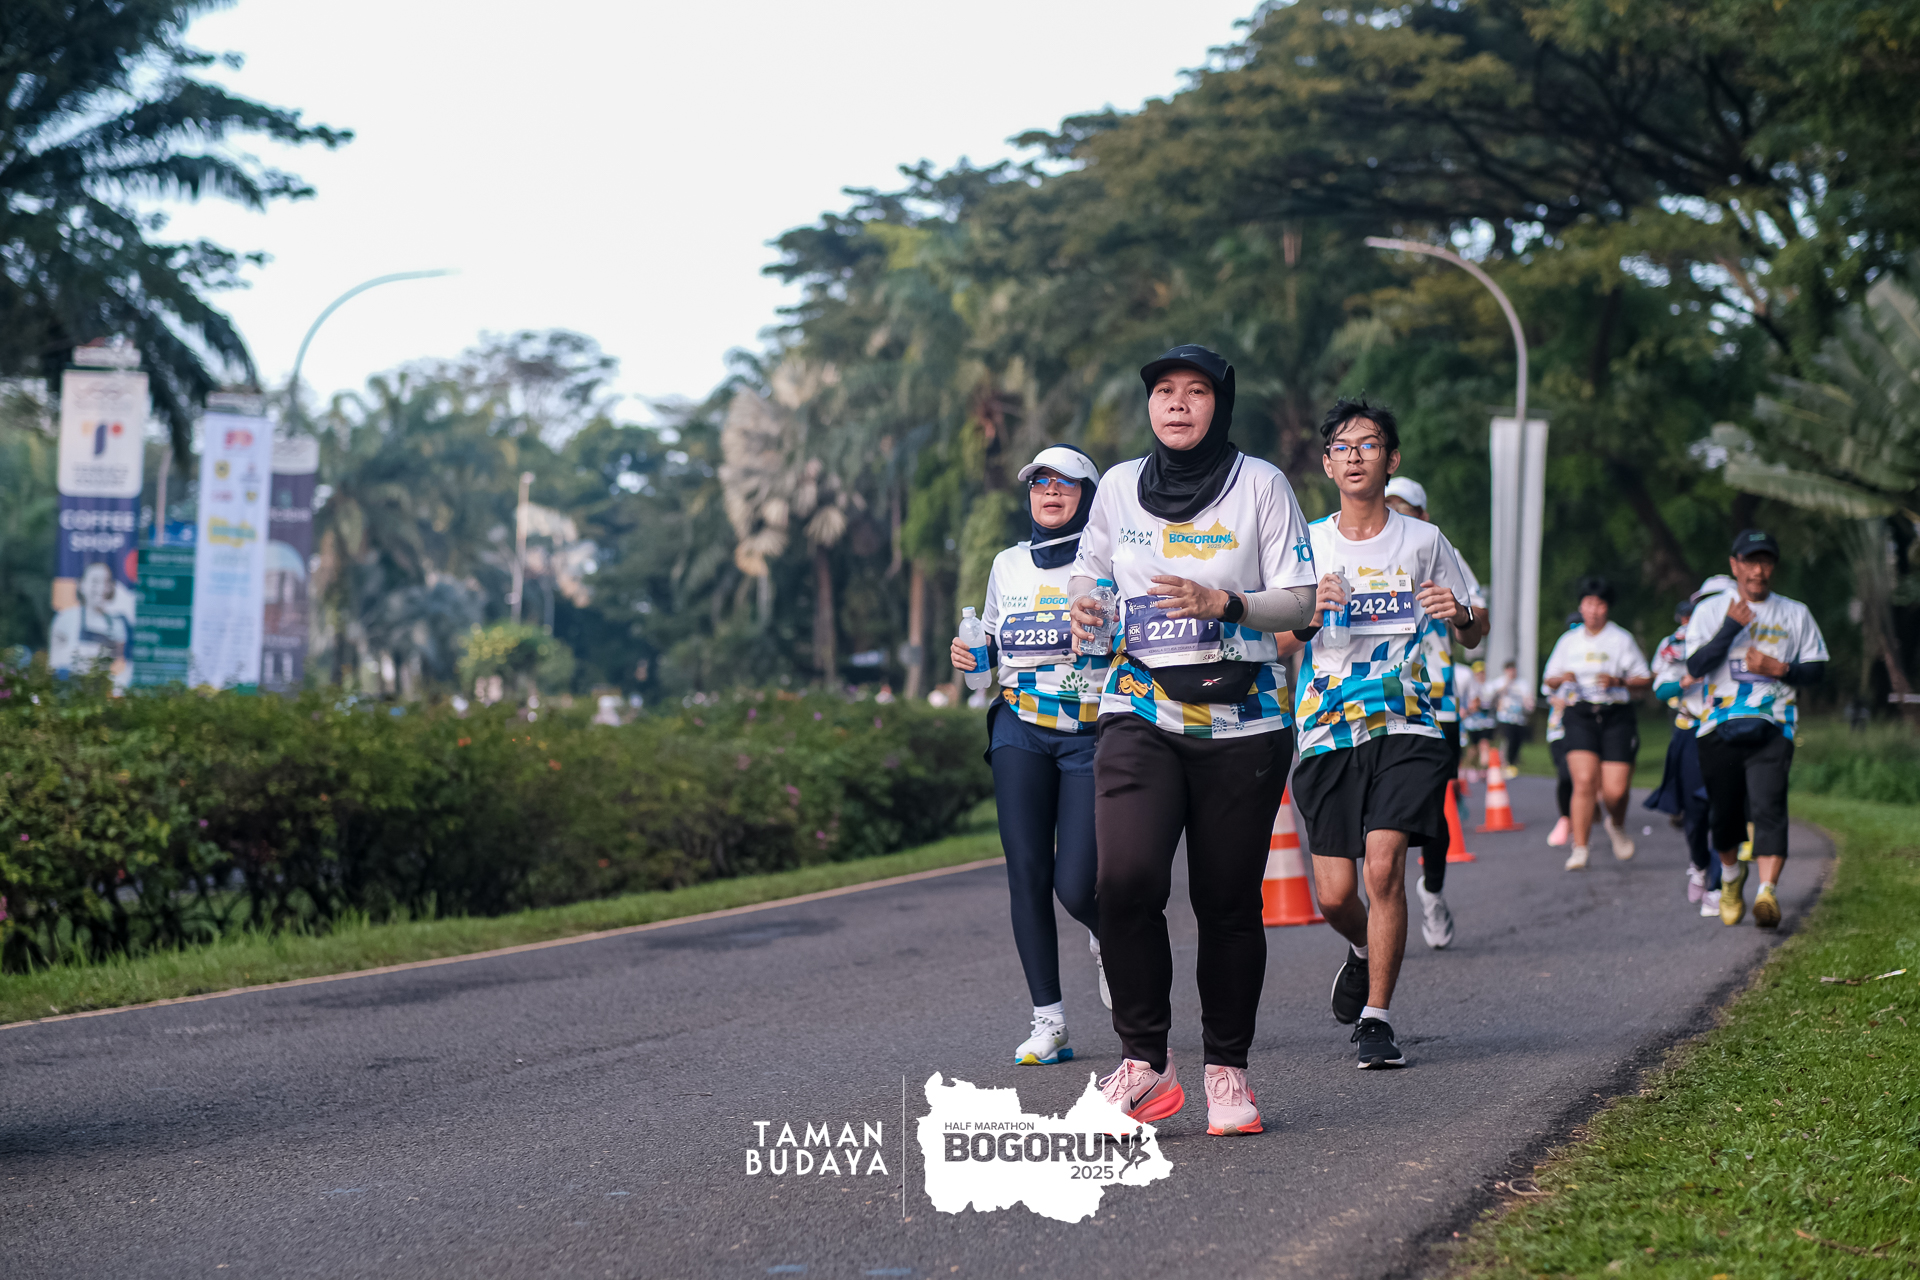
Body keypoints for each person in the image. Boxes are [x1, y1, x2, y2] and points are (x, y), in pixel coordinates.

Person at [1065, 345, 1318, 1133]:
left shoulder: (1262, 485)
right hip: (1139, 706)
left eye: (1197, 391)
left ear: (1221, 404)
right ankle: (1146, 1061)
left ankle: (1227, 1072)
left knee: (1227, 901)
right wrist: (1083, 601)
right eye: (1165, 391)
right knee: (1124, 881)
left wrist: (1226, 603)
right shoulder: (1116, 487)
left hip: (1243, 721)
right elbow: (1089, 570)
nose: (1178, 404)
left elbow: (1301, 601)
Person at [1280, 398, 1487, 1069]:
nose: (1355, 456)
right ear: (1327, 464)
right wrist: (1309, 616)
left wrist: (1459, 613)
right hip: (1326, 727)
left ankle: (1377, 1018)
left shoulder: (1424, 541)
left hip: (1408, 721)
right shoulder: (1306, 545)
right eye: (1342, 446)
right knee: (1336, 895)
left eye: (1368, 445)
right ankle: (1364, 947)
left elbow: (1475, 629)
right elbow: (1272, 640)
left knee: (1383, 865)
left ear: (1391, 459)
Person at [950, 444, 1111, 1065]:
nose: (1050, 493)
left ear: (1088, 497)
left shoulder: (1110, 560)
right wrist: (973, 653)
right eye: (1041, 483)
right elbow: (993, 642)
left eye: (1065, 484)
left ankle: (1107, 935)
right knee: (1026, 872)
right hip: (1019, 725)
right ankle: (1050, 1022)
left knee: (1077, 884)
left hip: (1091, 731)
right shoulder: (1008, 564)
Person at [1685, 531, 1828, 927]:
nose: (1758, 570)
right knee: (1724, 814)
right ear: (1735, 565)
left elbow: (1817, 671)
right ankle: (1732, 877)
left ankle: (1767, 892)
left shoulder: (1795, 613)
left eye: (1765, 562)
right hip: (1717, 725)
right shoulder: (1710, 611)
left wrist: (1780, 669)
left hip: (1775, 724)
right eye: (1750, 561)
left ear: (1773, 567)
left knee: (1769, 805)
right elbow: (1695, 666)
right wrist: (1730, 628)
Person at [1382, 475, 1488, 949]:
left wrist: (1460, 611)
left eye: (1404, 508)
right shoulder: (1355, 547)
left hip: (1434, 701)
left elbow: (1479, 621)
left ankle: (1432, 889)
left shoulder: (1442, 552)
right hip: (1371, 699)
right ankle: (1380, 904)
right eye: (1389, 505)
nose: (1394, 514)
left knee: (1430, 805)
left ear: (1424, 516)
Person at [1542, 577, 1652, 871]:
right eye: (1588, 603)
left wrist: (1620, 681)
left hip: (1616, 715)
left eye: (1600, 604)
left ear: (1607, 608)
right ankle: (1580, 848)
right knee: (1584, 781)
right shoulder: (1569, 641)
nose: (1593, 609)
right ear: (1581, 606)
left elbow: (1645, 680)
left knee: (1615, 791)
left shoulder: (1621, 639)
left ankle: (1616, 824)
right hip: (1580, 714)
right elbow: (1549, 679)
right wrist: (1563, 678)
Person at [1646, 578, 1735, 915]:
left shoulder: (1749, 637)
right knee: (1694, 814)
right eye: (1706, 602)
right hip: (1691, 729)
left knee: (1722, 810)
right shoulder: (1676, 644)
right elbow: (1660, 690)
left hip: (1730, 729)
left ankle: (1717, 886)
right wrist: (1686, 680)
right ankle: (1699, 864)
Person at [1493, 659, 1530, 772]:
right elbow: (1495, 695)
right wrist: (1507, 683)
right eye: (1509, 669)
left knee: (1517, 742)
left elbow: (1527, 698)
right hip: (1505, 717)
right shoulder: (1500, 681)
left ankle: (1512, 763)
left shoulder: (1522, 683)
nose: (1512, 672)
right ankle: (1504, 763)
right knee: (1507, 740)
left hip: (1519, 718)